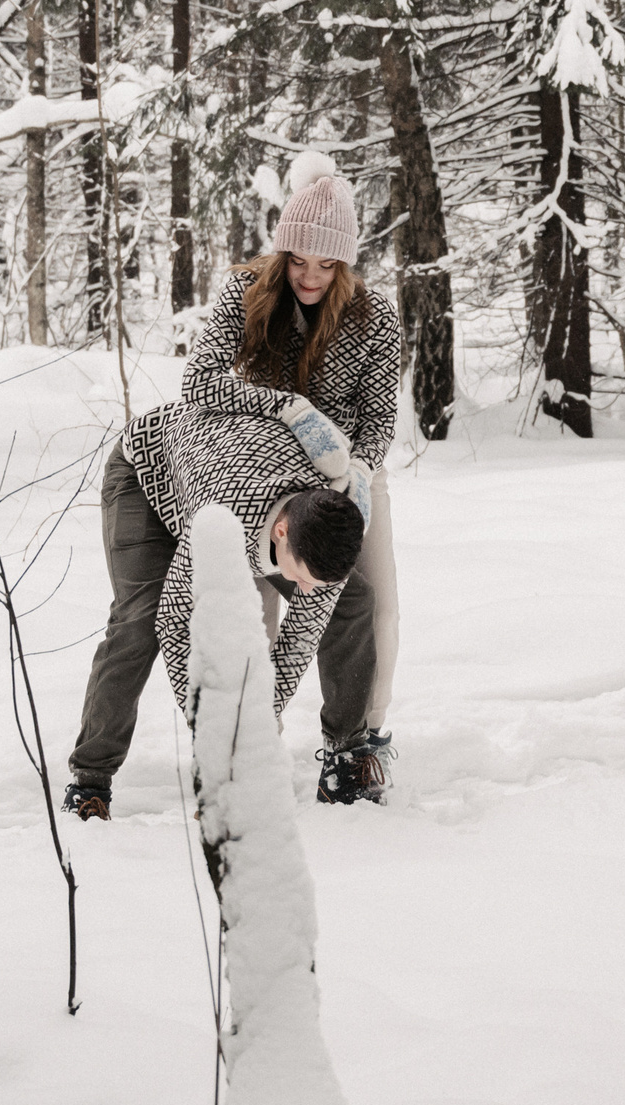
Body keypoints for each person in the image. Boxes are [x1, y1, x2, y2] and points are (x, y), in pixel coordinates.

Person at [63, 153, 406, 814]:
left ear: (346, 264)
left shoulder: (373, 321)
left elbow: (379, 416)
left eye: (325, 264)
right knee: (143, 618)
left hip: (323, 481)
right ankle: (92, 773)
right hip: (178, 472)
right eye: (298, 259)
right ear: (281, 250)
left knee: (351, 599)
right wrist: (289, 408)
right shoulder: (249, 293)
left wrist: (353, 472)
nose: (309, 275)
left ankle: (348, 747)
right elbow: (199, 383)